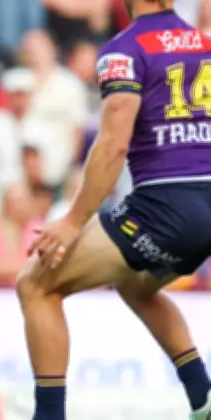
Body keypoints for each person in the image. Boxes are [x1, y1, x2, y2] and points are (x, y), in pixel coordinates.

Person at [19, 1, 211, 419]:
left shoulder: (125, 50)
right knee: (134, 283)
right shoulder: (205, 44)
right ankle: (203, 396)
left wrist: (72, 222)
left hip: (166, 205)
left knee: (35, 285)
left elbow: (112, 147)